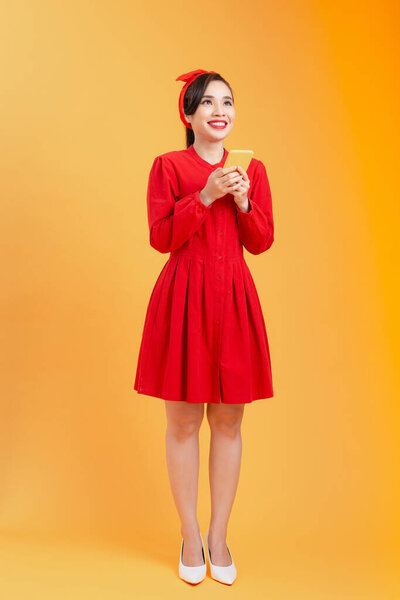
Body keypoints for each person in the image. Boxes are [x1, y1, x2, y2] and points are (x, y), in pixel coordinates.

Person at [134, 69, 275, 585]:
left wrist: (241, 200)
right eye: (208, 102)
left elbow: (261, 242)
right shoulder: (168, 166)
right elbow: (160, 237)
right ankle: (190, 535)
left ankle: (219, 535)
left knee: (230, 422)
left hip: (233, 298)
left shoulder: (252, 171)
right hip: (184, 298)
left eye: (228, 102)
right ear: (188, 115)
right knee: (183, 423)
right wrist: (205, 196)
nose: (220, 110)